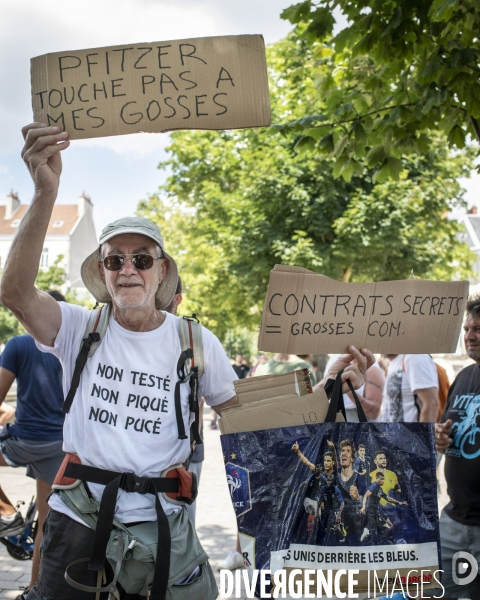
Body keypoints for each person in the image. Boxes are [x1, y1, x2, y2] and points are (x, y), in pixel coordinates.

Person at [4, 123, 374, 599]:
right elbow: (14, 292)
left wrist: (330, 386)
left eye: (142, 258)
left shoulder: (195, 341)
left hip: (164, 531)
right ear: (102, 272)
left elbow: (251, 420)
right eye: (114, 260)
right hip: (80, 519)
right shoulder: (80, 327)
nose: (128, 269)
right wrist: (44, 192)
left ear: (162, 271)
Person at [0, 290, 66, 599]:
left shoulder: (18, 344)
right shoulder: (73, 346)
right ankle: (33, 588)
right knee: (45, 523)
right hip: (58, 445)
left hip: (23, 440)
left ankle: (7, 512)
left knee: (42, 520)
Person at [434, 296, 480, 599]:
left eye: (478, 328)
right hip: (454, 520)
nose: (470, 336)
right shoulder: (463, 376)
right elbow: (445, 430)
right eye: (466, 328)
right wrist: (438, 437)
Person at [165, 277, 204, 528]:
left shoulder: (189, 338)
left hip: (188, 451)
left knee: (184, 518)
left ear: (177, 299)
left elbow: (199, 399)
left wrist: (191, 440)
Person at [324, 354, 385, 421]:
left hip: (361, 428)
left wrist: (348, 389)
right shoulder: (337, 360)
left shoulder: (372, 370)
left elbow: (373, 412)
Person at [382, 353, 439, 422]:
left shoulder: (414, 356)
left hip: (413, 431)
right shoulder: (392, 362)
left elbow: (432, 404)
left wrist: (422, 432)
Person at [360, 471, 407, 542]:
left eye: (383, 479)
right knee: (386, 527)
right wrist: (363, 507)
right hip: (372, 510)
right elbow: (366, 496)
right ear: (377, 478)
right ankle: (369, 532)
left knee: (391, 525)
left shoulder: (379, 488)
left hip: (378, 509)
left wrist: (400, 503)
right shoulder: (373, 486)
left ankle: (369, 530)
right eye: (381, 479)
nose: (383, 481)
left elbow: (387, 498)